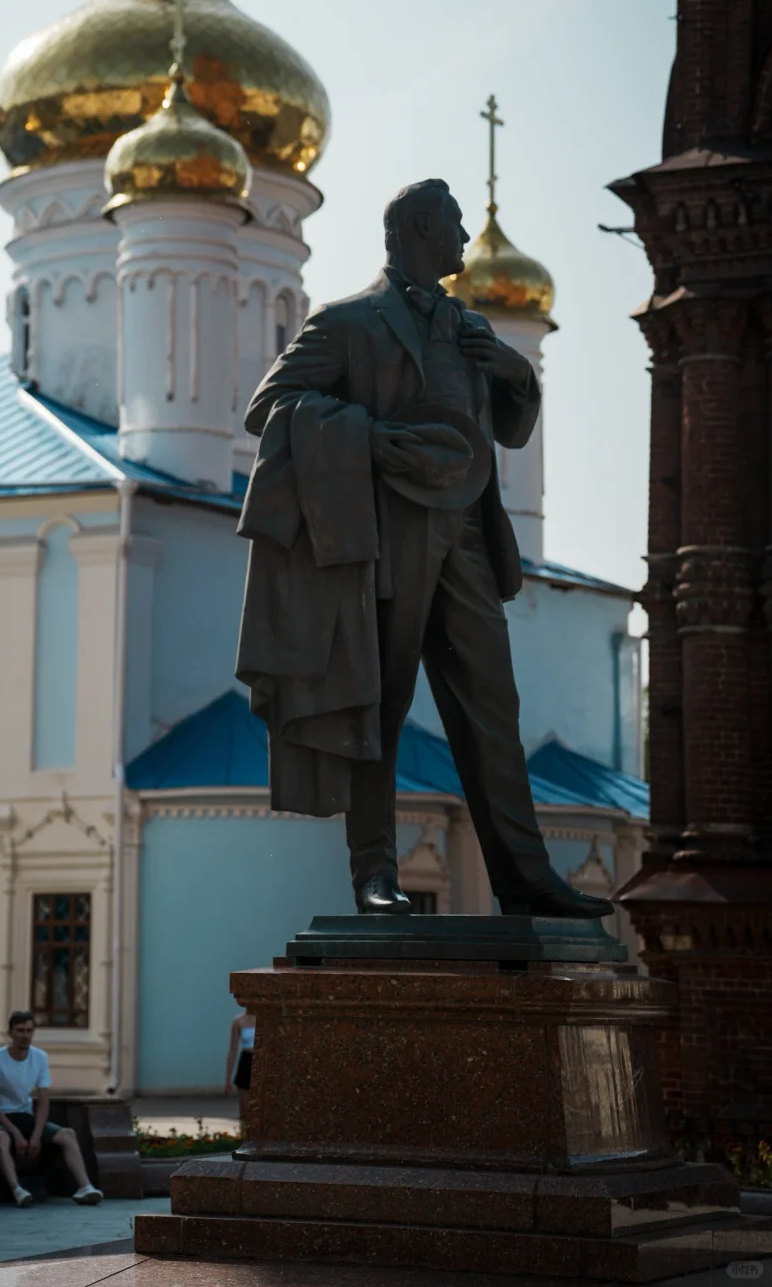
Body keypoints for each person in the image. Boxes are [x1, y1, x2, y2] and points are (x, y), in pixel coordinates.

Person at [237, 178, 613, 919]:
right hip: (388, 535)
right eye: (453, 223)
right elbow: (268, 406)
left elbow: (508, 428)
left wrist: (513, 370)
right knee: (379, 703)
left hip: (467, 534)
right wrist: (370, 440)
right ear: (416, 228)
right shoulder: (348, 322)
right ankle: (374, 872)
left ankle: (525, 877)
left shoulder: (468, 327)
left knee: (492, 708)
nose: (466, 234)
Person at [0, 1010, 103, 1206]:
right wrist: (16, 1134)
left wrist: (37, 1136)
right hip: (2, 1118)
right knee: (1, 1138)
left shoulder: (39, 1057)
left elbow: (43, 1099)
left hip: (25, 1115)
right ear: (10, 1033)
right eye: (20, 1030)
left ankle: (85, 1187)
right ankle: (17, 1189)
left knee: (67, 1134)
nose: (25, 1035)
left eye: (29, 1030)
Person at [224, 1008, 256, 1119]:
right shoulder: (238, 1021)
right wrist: (228, 1079)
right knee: (244, 1108)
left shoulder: (265, 1020)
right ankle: (244, 1132)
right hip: (246, 1060)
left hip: (261, 1060)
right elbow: (232, 1051)